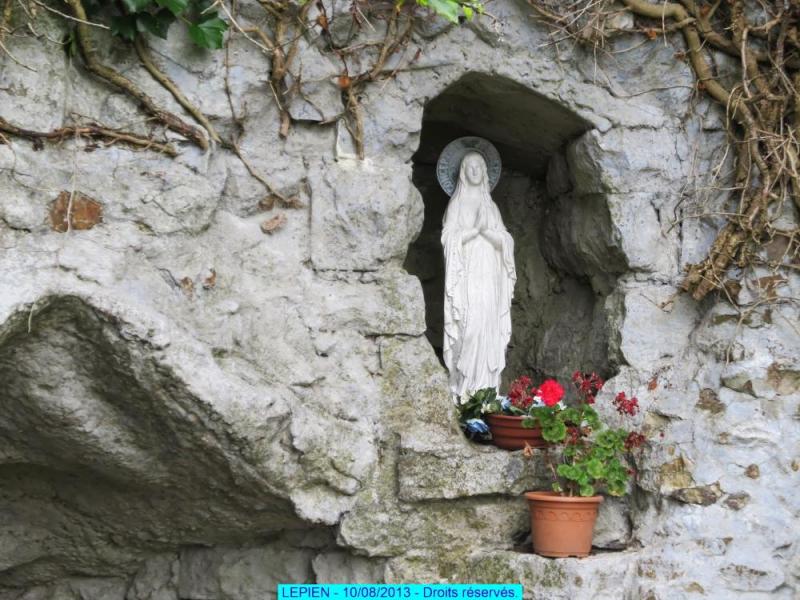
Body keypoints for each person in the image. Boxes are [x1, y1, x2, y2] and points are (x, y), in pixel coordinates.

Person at [441, 151, 516, 397]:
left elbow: (505, 240)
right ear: (463, 172)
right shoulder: (457, 204)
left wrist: (488, 232)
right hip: (467, 275)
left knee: (488, 327)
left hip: (490, 275)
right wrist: (474, 231)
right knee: (468, 327)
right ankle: (465, 391)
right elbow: (448, 238)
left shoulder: (491, 206)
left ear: (485, 172)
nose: (474, 171)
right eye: (470, 167)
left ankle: (487, 390)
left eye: (479, 167)